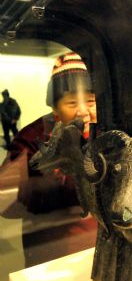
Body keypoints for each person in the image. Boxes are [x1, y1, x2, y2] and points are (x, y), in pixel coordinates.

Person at [1, 52, 98, 267]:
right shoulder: (32, 137)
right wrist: (64, 184)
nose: (83, 111)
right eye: (72, 102)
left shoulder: (107, 131)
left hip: (100, 245)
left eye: (91, 101)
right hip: (54, 250)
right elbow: (6, 200)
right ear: (54, 108)